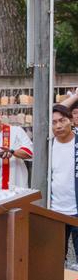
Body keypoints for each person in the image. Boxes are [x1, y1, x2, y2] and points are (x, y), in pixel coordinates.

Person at [0, 103, 32, 189]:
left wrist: (12, 151)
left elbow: (30, 153)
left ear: (0, 115)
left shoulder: (16, 131)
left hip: (16, 183)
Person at [50, 105, 78, 257]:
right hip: (55, 210)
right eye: (54, 122)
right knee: (55, 257)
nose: (58, 126)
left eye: (62, 120)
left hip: (76, 210)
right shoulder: (48, 146)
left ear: (71, 121)